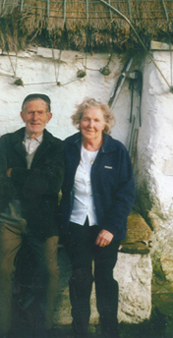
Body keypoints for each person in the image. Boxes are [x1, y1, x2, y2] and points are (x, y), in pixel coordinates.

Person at [0, 93, 65, 338]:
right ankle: (2, 330)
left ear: (49, 117)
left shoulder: (57, 147)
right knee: (1, 270)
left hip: (42, 219)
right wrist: (32, 183)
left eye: (41, 112)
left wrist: (15, 173)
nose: (35, 117)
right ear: (22, 115)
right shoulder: (5, 143)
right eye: (30, 112)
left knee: (51, 272)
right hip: (8, 217)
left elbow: (52, 185)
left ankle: (44, 327)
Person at [59, 98, 135, 338]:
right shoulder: (67, 147)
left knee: (105, 278)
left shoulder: (117, 151)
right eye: (86, 119)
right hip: (76, 223)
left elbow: (126, 193)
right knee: (80, 277)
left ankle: (109, 331)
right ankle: (80, 331)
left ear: (105, 124)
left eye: (96, 120)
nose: (90, 124)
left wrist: (111, 227)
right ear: (78, 121)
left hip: (106, 225)